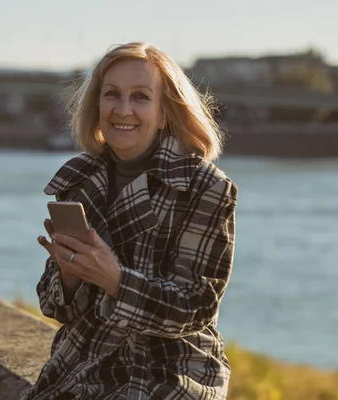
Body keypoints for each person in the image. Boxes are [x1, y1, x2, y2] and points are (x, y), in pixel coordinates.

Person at [24, 42, 238, 400]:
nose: (123, 109)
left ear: (165, 111)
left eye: (140, 97)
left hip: (174, 366)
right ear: (97, 105)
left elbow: (195, 306)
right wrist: (70, 273)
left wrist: (117, 281)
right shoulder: (77, 181)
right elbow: (55, 308)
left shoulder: (207, 187)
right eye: (112, 95)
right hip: (83, 359)